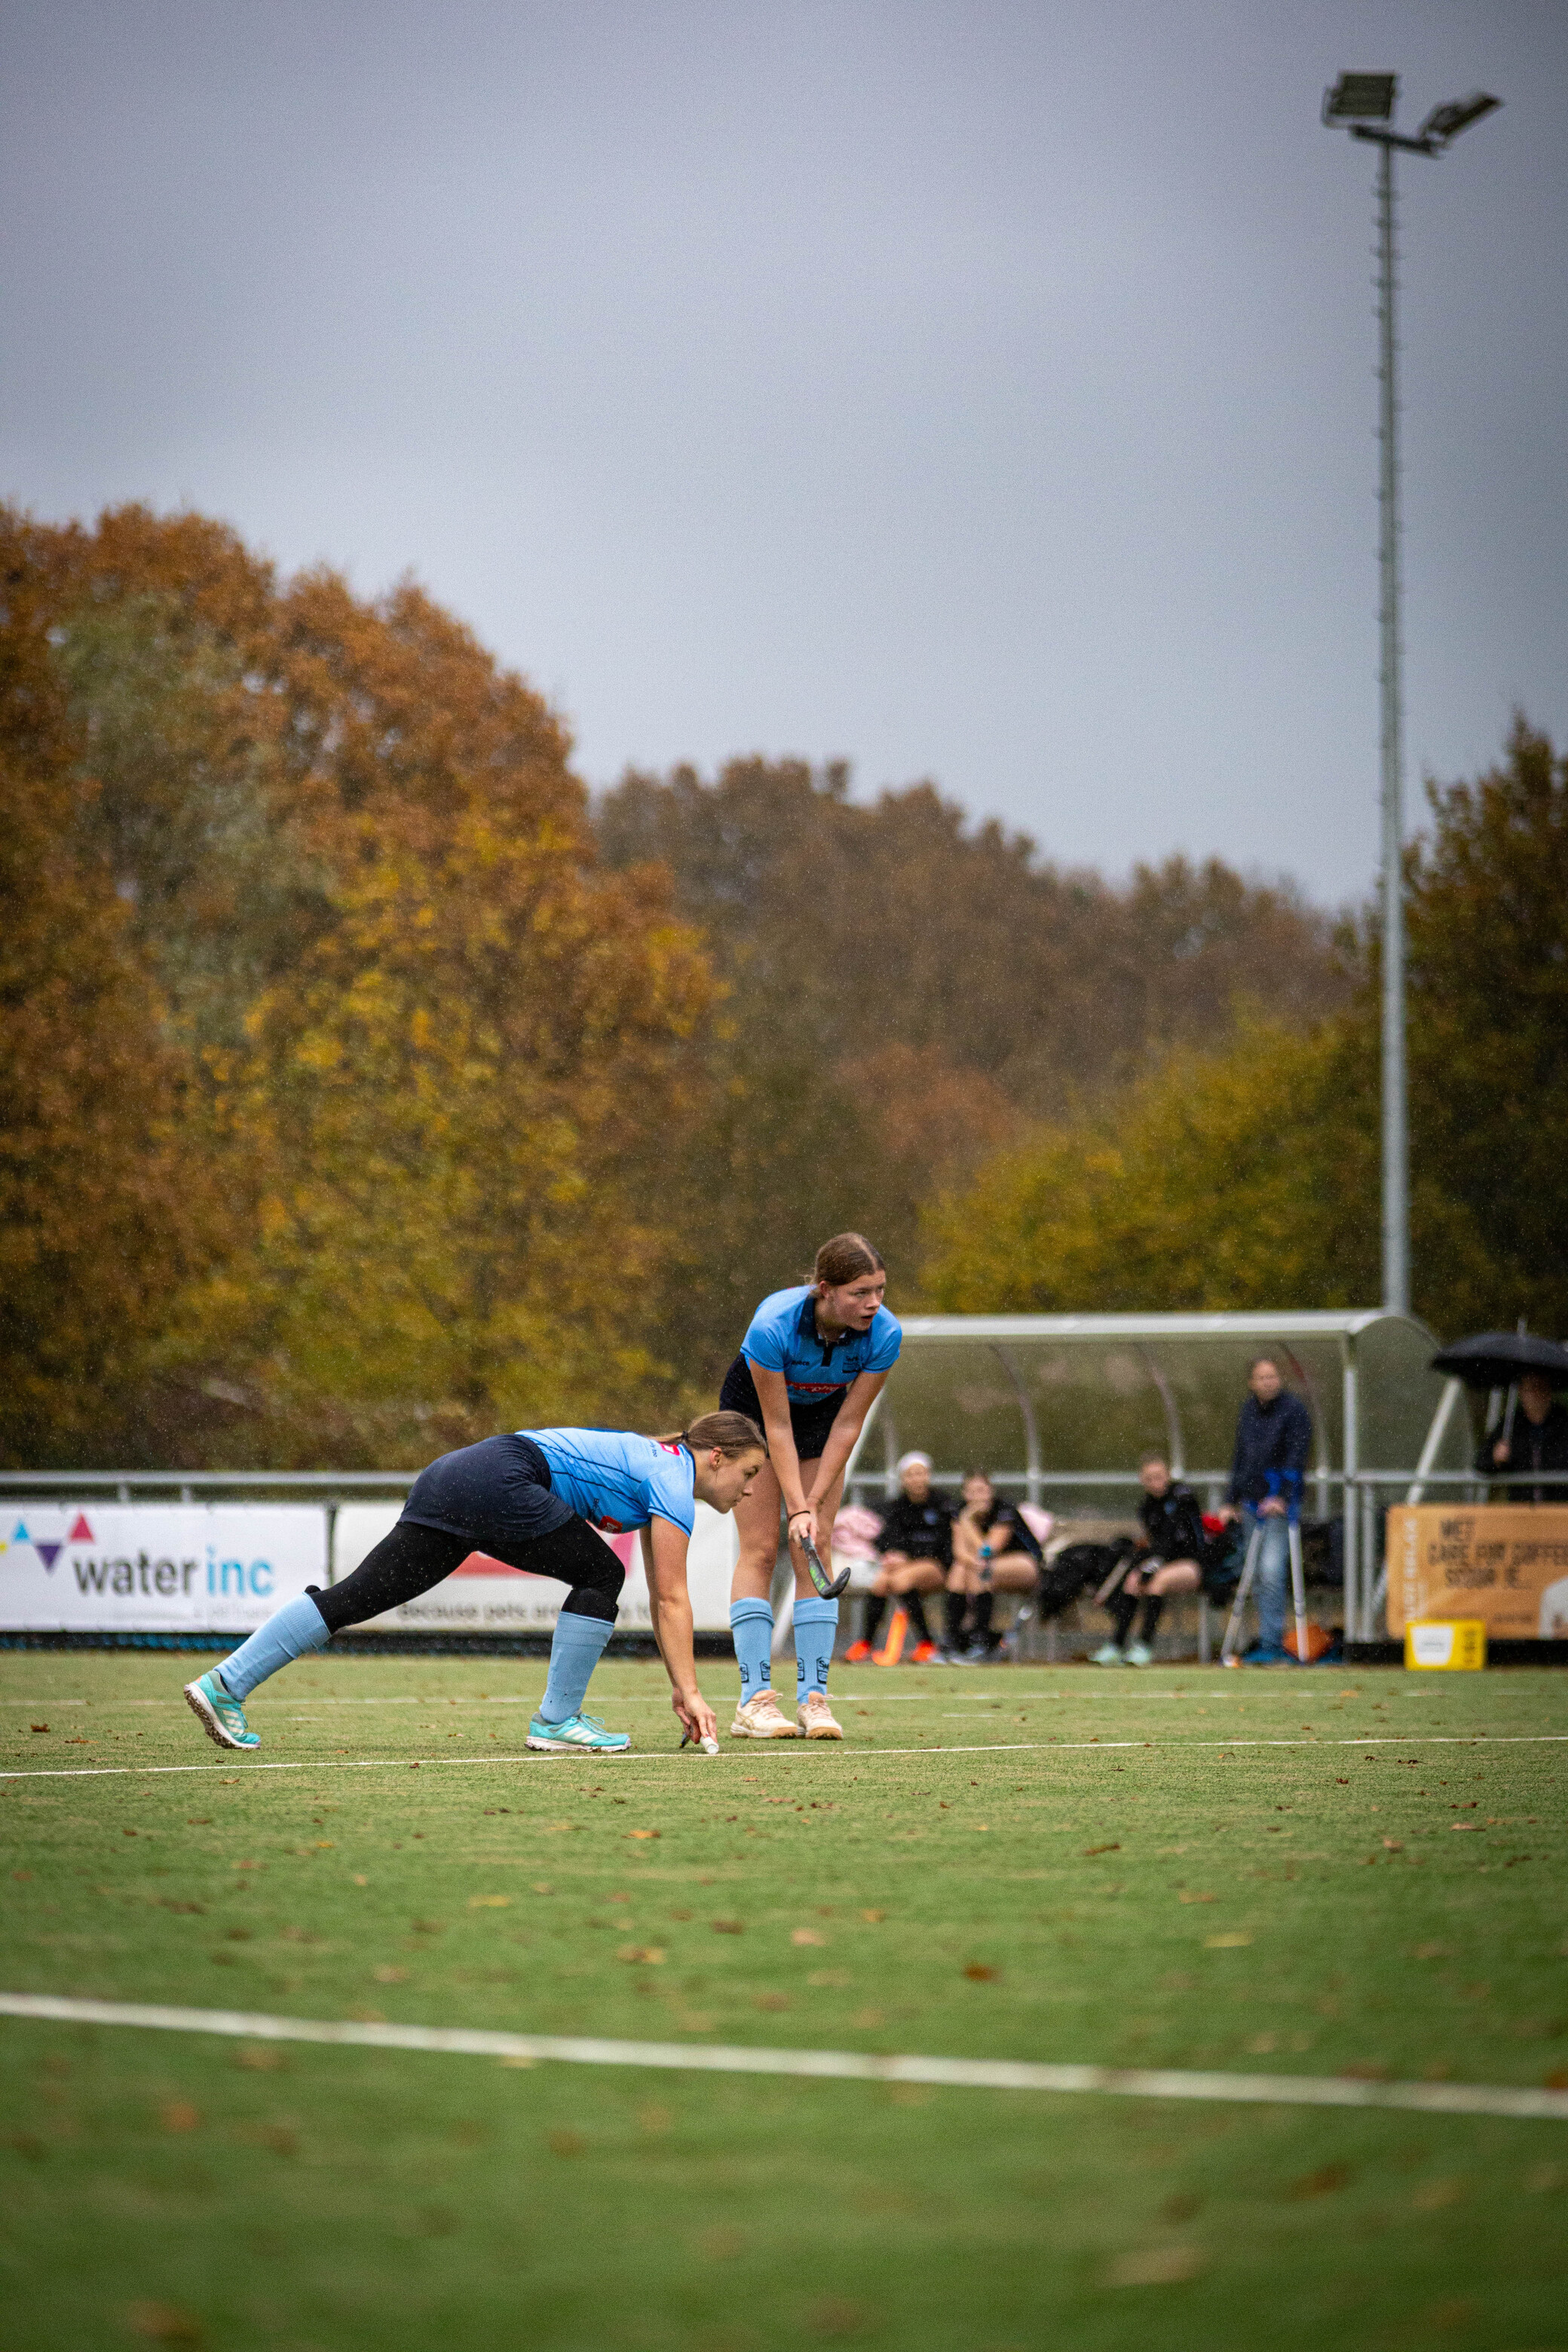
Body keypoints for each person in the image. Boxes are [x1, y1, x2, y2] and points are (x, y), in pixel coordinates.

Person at [184, 1413, 767, 1756]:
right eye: (749, 1474)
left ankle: (225, 1684)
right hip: (497, 1477)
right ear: (716, 1457)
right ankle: (558, 1722)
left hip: (457, 1473)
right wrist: (691, 1692)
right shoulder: (673, 1475)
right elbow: (670, 1597)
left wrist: (678, 1684)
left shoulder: (661, 1471)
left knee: (355, 1598)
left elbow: (667, 1598)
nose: (748, 1491)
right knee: (600, 1572)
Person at [721, 1233, 901, 1738]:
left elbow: (848, 1425)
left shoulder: (885, 1335)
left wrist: (813, 1506)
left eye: (880, 1290)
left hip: (822, 1420)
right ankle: (753, 1701)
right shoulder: (772, 1327)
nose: (873, 1303)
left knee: (816, 1543)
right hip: (755, 1419)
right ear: (825, 1289)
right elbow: (775, 1427)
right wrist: (795, 1505)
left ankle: (814, 1699)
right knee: (760, 1547)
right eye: (860, 1292)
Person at [1221, 1355, 1312, 1664]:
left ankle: (1273, 1644)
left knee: (1272, 1572)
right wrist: (1229, 1499)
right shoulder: (1248, 1411)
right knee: (1255, 1575)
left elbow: (1297, 1457)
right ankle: (1265, 1639)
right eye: (1261, 1377)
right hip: (1250, 1504)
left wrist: (1283, 1496)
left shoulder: (1294, 1411)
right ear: (1252, 1382)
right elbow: (1241, 1457)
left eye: (1272, 1377)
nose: (1267, 1382)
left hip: (1277, 1508)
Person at [1092, 1451, 1208, 1666]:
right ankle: (1116, 1645)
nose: (1157, 1483)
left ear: (1168, 1475)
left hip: (1193, 1564)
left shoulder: (1183, 1497)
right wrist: (1146, 1565)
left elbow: (1177, 1543)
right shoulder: (1147, 1507)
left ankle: (1145, 1646)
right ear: (1142, 1481)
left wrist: (1152, 1566)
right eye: (1150, 1478)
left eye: (1160, 1476)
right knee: (1132, 1583)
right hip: (1164, 1562)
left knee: (1156, 1582)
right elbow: (1157, 1544)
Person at [844, 1450, 953, 1664]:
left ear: (928, 1475)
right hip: (906, 1567)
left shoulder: (943, 1504)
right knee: (881, 1582)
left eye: (920, 1473)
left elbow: (944, 1544)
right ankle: (865, 1643)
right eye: (910, 1475)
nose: (916, 1479)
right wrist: (892, 1555)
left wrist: (910, 1556)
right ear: (903, 1479)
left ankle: (927, 1643)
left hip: (940, 1566)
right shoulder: (896, 1507)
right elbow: (888, 1540)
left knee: (900, 1581)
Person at [948, 1471, 1043, 1661]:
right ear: (965, 1494)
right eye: (973, 1492)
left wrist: (967, 1522)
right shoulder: (959, 1509)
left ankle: (980, 1642)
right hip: (985, 1566)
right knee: (959, 1569)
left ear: (991, 1491)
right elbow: (959, 1551)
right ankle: (953, 1641)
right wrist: (972, 1560)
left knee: (981, 1570)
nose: (979, 1496)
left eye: (983, 1490)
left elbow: (987, 1551)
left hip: (1025, 1564)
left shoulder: (1003, 1509)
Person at [1476, 1372, 1568, 1503]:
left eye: (1541, 1387)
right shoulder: (1510, 1424)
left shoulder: (1563, 1421)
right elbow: (1481, 1463)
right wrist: (1495, 1458)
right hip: (1521, 1511)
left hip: (1559, 1511)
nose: (1537, 1394)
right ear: (1521, 1392)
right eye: (1531, 1388)